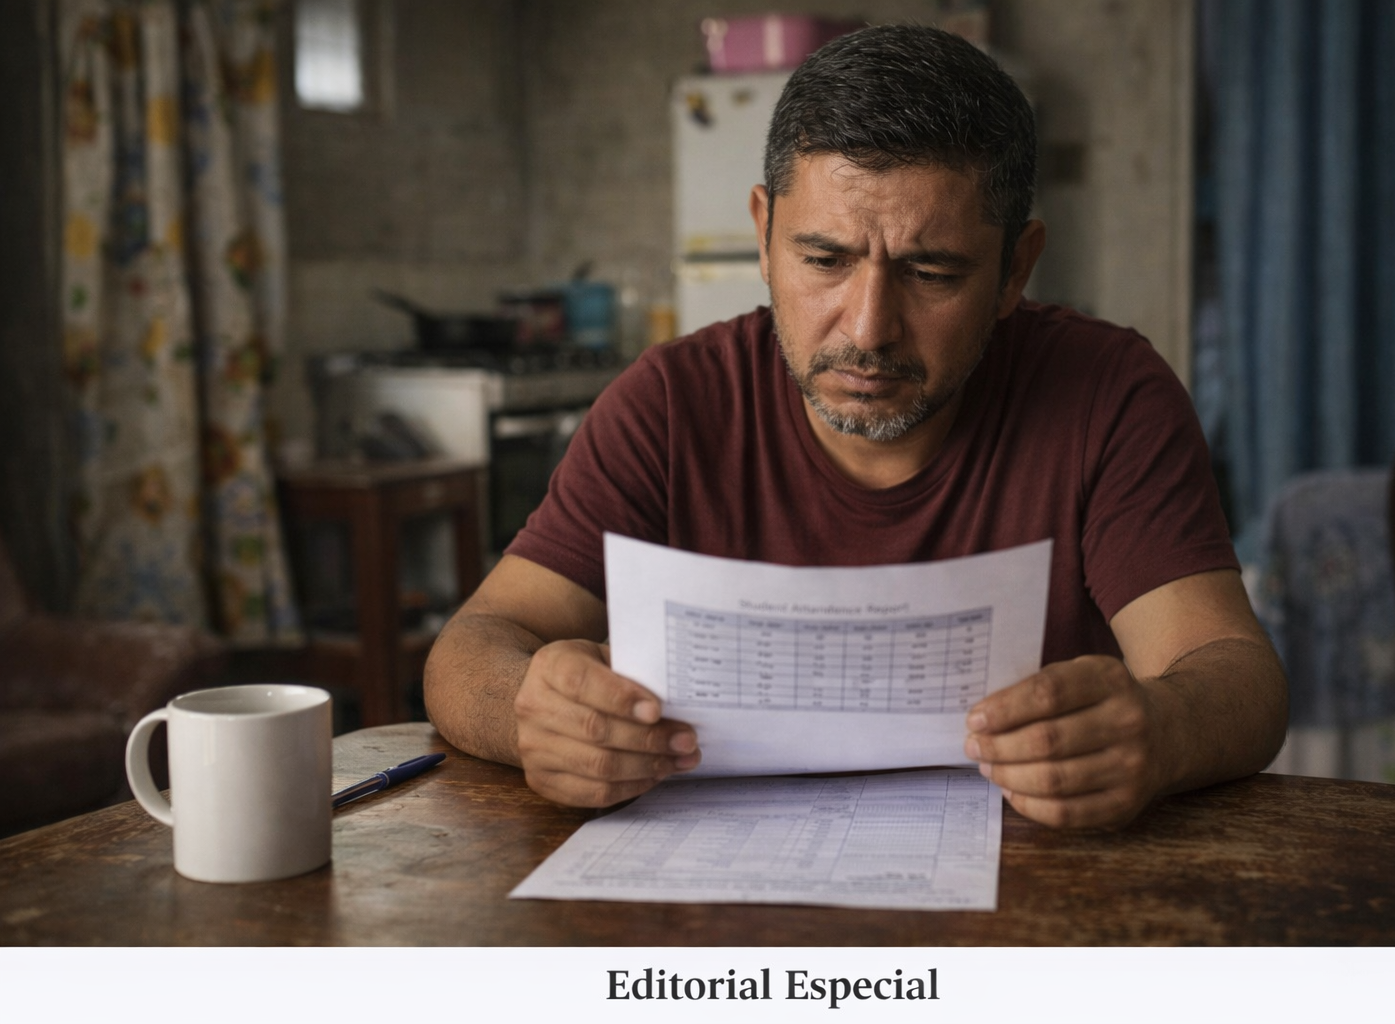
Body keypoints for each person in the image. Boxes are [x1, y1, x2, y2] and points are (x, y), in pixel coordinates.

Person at [423, 24, 1287, 829]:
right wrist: (530, 710)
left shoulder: (1107, 395)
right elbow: (472, 647)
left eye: (933, 271)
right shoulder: (672, 404)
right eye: (824, 260)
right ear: (764, 235)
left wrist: (1163, 729)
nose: (868, 328)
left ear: (1016, 269)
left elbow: (1235, 673)